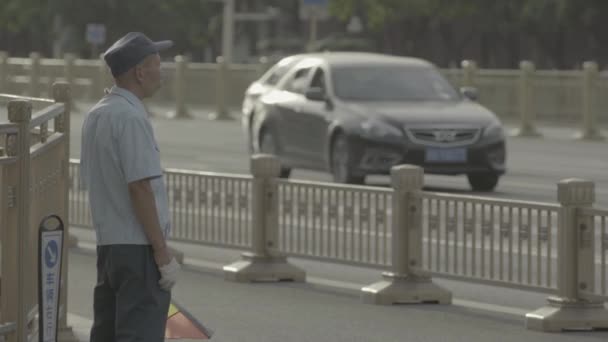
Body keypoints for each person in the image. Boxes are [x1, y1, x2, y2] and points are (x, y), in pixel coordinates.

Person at [80, 32, 179, 342]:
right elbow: (139, 187)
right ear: (140, 72)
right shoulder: (131, 117)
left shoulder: (96, 114)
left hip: (109, 246)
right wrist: (161, 252)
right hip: (139, 250)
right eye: (157, 65)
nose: (161, 72)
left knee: (107, 333)